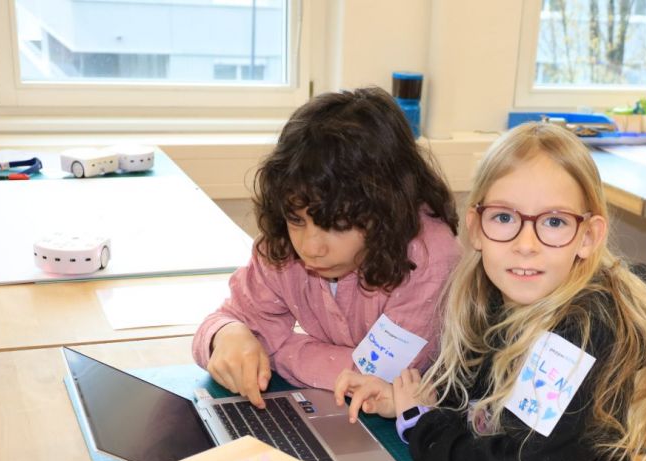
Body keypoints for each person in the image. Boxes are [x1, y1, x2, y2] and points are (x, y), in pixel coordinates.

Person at [389, 122, 646, 461]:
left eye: (554, 222)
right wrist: (410, 397)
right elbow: (469, 399)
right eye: (505, 217)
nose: (526, 244)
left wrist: (421, 425)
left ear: (588, 236)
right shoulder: (490, 295)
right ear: (476, 228)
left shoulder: (583, 331)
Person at [193, 87, 461, 409]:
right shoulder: (285, 246)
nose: (310, 247)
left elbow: (377, 378)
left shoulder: (429, 257)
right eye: (296, 220)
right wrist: (227, 335)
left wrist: (276, 350)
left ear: (386, 210)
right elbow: (227, 319)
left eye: (337, 224)